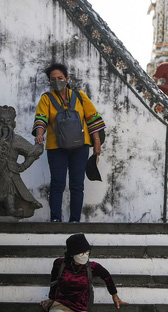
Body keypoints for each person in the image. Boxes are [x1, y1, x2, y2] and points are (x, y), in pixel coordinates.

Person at [33, 62, 105, 222]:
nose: (56, 81)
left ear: (67, 78)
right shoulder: (46, 99)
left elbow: (92, 119)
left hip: (81, 146)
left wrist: (97, 144)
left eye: (60, 78)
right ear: (49, 82)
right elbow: (41, 118)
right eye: (53, 79)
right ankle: (55, 220)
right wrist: (39, 134)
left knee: (77, 185)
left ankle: (75, 221)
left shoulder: (79, 96)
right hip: (56, 147)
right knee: (57, 184)